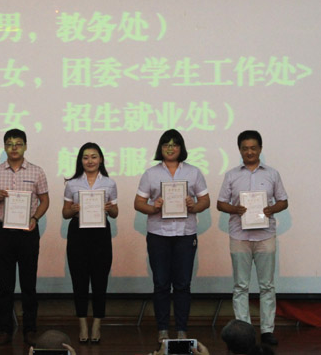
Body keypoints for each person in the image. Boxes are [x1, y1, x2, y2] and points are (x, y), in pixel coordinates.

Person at [133, 129, 210, 343]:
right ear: (160, 148)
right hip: (158, 234)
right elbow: (138, 203)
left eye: (174, 144)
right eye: (166, 144)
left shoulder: (194, 172)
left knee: (183, 284)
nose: (170, 148)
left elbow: (205, 201)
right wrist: (153, 207)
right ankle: (163, 329)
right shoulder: (151, 174)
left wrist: (194, 206)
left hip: (185, 234)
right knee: (161, 283)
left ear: (181, 148)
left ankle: (182, 329)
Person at [217, 130, 288, 346]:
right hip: (240, 235)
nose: (249, 152)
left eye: (253, 148)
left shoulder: (272, 174)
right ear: (239, 150)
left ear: (260, 149)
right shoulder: (231, 175)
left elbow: (283, 201)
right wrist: (235, 209)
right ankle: (243, 331)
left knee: (267, 286)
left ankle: (267, 330)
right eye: (245, 148)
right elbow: (220, 203)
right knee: (241, 286)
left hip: (265, 236)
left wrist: (271, 209)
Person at [0, 129, 50, 347]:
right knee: (5, 286)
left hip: (28, 233)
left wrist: (35, 218)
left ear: (25, 146)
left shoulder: (37, 172)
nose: (14, 148)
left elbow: (45, 200)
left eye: (18, 143)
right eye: (9, 144)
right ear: (4, 147)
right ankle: (4, 330)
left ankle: (30, 330)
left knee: (29, 284)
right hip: (3, 232)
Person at [62, 142, 118, 343]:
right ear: (81, 161)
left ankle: (97, 324)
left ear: (100, 159)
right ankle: (82, 324)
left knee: (100, 280)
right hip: (78, 232)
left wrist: (109, 208)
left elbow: (115, 212)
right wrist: (73, 209)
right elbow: (65, 213)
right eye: (85, 157)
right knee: (79, 280)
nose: (90, 161)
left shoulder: (109, 183)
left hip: (100, 233)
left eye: (94, 157)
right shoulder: (72, 184)